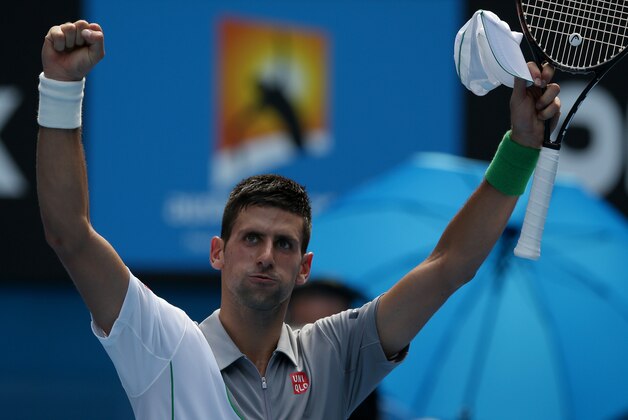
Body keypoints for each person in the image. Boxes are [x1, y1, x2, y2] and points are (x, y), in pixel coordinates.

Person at [36, 20, 561, 420]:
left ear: (304, 266)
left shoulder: (336, 352)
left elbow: (450, 266)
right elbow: (70, 235)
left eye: (284, 245)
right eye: (252, 239)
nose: (267, 255)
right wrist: (61, 89)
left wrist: (520, 147)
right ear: (218, 252)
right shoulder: (165, 347)